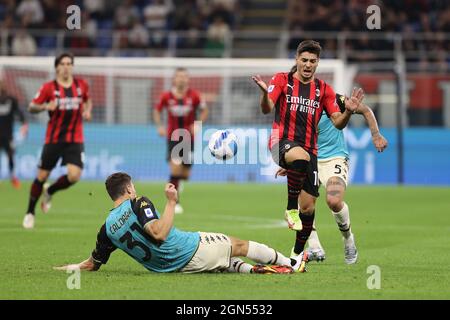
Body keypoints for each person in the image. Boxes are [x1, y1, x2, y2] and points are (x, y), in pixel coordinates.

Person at [54, 172, 308, 274]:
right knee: (238, 244)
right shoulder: (138, 201)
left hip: (174, 269)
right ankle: (292, 264)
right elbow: (159, 233)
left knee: (223, 260)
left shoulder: (106, 229)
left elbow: (91, 264)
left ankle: (253, 271)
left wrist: (67, 268)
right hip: (189, 249)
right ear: (129, 188)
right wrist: (171, 201)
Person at [252, 40, 363, 261]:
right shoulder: (281, 80)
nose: (308, 65)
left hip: (309, 153)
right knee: (300, 160)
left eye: (313, 61)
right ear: (296, 59)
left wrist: (349, 112)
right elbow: (266, 109)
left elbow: (337, 122)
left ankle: (295, 256)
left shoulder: (323, 90)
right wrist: (265, 94)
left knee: (309, 208)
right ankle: (289, 207)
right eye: (304, 60)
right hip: (280, 142)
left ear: (318, 63)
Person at [276, 94, 388, 264]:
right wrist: (291, 161)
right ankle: (314, 247)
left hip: (334, 158)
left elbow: (365, 110)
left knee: (334, 201)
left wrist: (375, 134)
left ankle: (348, 239)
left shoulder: (334, 99)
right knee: (301, 208)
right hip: (309, 158)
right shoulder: (296, 105)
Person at [22, 52, 92, 229]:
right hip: (54, 139)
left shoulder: (81, 85)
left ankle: (50, 191)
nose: (66, 66)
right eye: (63, 63)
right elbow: (31, 106)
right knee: (42, 175)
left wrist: (87, 110)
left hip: (75, 138)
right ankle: (30, 212)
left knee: (75, 176)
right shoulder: (48, 87)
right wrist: (45, 106)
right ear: (57, 67)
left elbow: (87, 100)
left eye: (69, 63)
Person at [153, 68, 208, 214]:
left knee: (185, 175)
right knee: (175, 167)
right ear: (174, 79)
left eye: (184, 77)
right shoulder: (166, 96)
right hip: (173, 137)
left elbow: (204, 110)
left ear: (188, 80)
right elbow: (157, 110)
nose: (182, 79)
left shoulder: (194, 96)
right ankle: (174, 202)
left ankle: (177, 183)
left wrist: (198, 124)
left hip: (189, 138)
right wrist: (159, 126)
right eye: (179, 77)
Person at [0, 80, 28, 189]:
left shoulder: (12, 100)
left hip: (8, 135)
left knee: (11, 156)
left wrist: (24, 123)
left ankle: (13, 177)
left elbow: (20, 113)